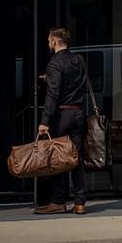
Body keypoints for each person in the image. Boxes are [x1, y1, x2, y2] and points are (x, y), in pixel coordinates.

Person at [35, 27, 89, 215]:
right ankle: (80, 202)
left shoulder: (55, 63)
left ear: (56, 41)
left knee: (57, 157)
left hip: (62, 115)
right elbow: (80, 83)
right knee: (76, 157)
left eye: (50, 40)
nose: (48, 43)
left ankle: (58, 201)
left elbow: (53, 94)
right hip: (78, 113)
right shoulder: (79, 60)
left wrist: (45, 120)